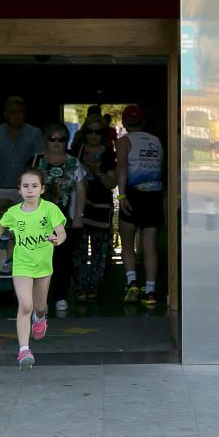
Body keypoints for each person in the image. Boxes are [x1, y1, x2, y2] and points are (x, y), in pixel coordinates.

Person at [0, 168, 66, 369]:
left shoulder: (49, 209)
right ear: (19, 190)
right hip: (22, 265)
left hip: (43, 266)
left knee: (39, 306)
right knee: (25, 305)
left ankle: (40, 318)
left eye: (34, 186)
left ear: (42, 189)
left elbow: (61, 230)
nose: (30, 190)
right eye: (25, 186)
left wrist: (58, 239)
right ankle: (24, 351)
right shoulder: (13, 213)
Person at [29, 121, 86, 314]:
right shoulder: (35, 161)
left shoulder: (74, 163)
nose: (56, 143)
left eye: (61, 139)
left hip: (65, 221)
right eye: (52, 138)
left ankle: (60, 296)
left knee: (62, 261)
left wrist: (79, 215)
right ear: (45, 140)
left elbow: (81, 190)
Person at [116, 105, 164, 307]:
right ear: (143, 121)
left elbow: (121, 168)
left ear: (124, 123)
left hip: (133, 194)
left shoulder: (124, 141)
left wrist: (122, 195)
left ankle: (132, 283)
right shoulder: (156, 141)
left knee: (127, 242)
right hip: (153, 194)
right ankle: (151, 291)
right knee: (149, 245)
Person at [78, 114, 117, 301]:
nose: (93, 135)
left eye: (98, 132)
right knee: (79, 250)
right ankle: (80, 287)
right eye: (90, 131)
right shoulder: (77, 150)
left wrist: (97, 172)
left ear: (104, 134)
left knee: (100, 251)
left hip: (101, 207)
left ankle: (93, 286)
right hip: (80, 206)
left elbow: (112, 183)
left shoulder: (108, 153)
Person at [0, 96, 44, 189]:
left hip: (27, 189)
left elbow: (40, 161)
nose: (17, 116)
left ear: (25, 114)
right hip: (0, 187)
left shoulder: (35, 133)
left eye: (20, 112)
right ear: (5, 114)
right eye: (13, 112)